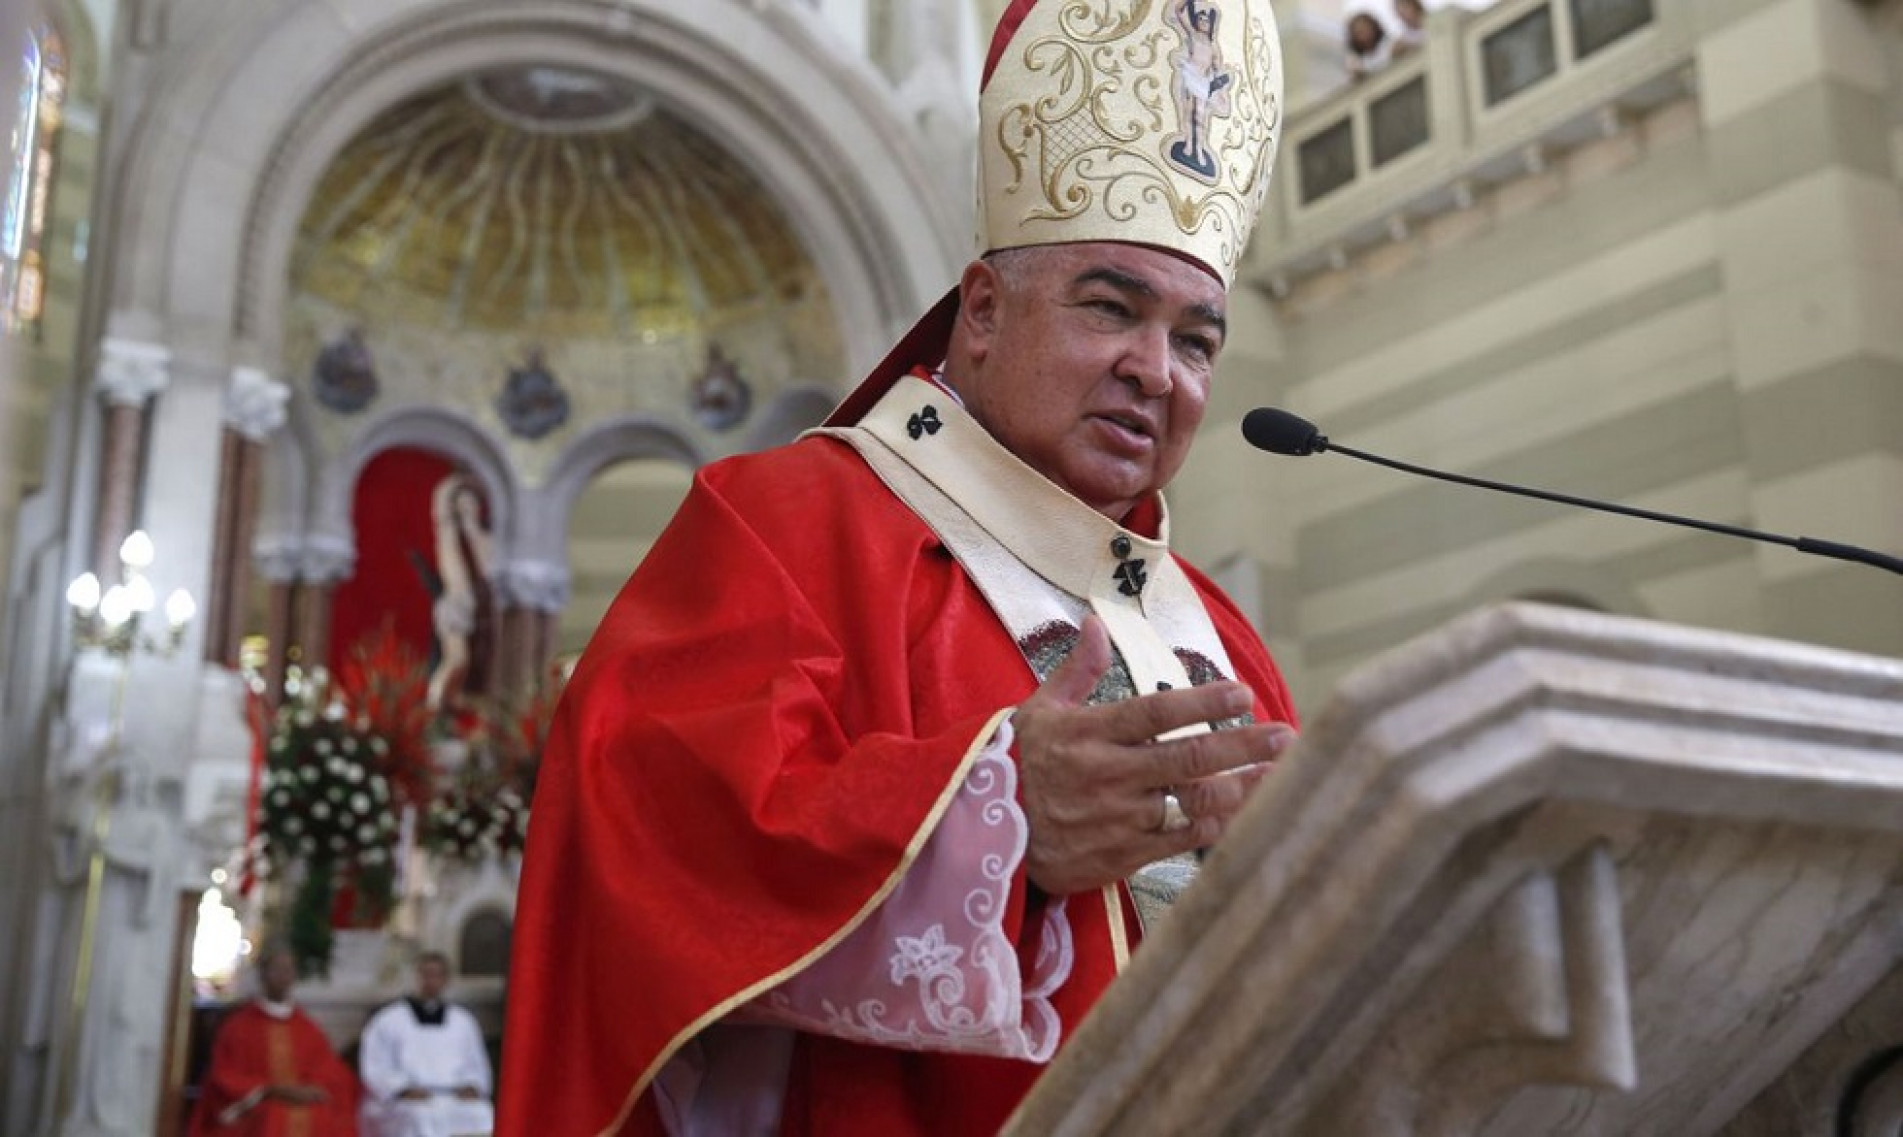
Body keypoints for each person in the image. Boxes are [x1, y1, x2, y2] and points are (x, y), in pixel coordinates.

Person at [502, 0, 1297, 1132]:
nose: (1153, 370)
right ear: (980, 312)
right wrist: (993, 826)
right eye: (1109, 307)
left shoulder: (1213, 631)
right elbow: (644, 832)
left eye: (1195, 340)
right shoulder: (788, 522)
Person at [188, 944, 360, 1136]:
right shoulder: (238, 1027)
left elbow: (329, 1070)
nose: (283, 976)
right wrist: (271, 1090)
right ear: (262, 974)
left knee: (321, 1116)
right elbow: (224, 1076)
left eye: (288, 970)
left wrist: (312, 1089)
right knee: (275, 1116)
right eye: (276, 969)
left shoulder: (307, 1028)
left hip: (301, 1102)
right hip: (256, 1107)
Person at [358, 951, 495, 1137]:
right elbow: (376, 1065)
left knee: (483, 1113)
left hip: (453, 1095)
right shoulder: (388, 1019)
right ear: (415, 976)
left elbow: (476, 1064)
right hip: (408, 1099)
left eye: (438, 975)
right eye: (426, 974)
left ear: (446, 980)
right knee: (421, 1116)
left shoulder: (463, 1020)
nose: (431, 981)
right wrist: (402, 1089)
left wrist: (472, 1086)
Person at [1346, 11, 1392, 79]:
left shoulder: (1390, 44)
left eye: (1367, 28)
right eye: (1360, 32)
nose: (1365, 34)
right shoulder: (1358, 61)